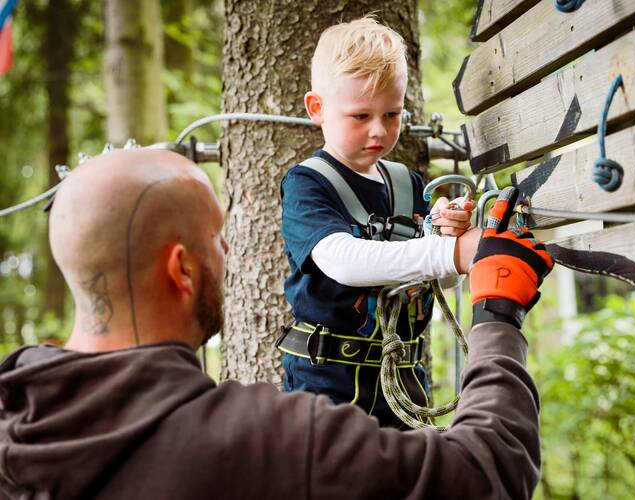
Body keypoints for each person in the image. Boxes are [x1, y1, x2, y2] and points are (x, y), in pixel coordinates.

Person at [0, 149, 553, 499]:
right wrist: (498, 313)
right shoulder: (270, 441)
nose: (228, 252)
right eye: (218, 238)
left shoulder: (14, 429)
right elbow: (486, 476)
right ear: (183, 269)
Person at [278, 15, 479, 427]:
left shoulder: (408, 185)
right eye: (360, 116)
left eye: (391, 114)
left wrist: (445, 237)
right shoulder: (308, 183)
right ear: (318, 109)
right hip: (327, 377)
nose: (379, 131)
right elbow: (342, 261)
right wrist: (446, 252)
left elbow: (435, 281)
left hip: (402, 375)